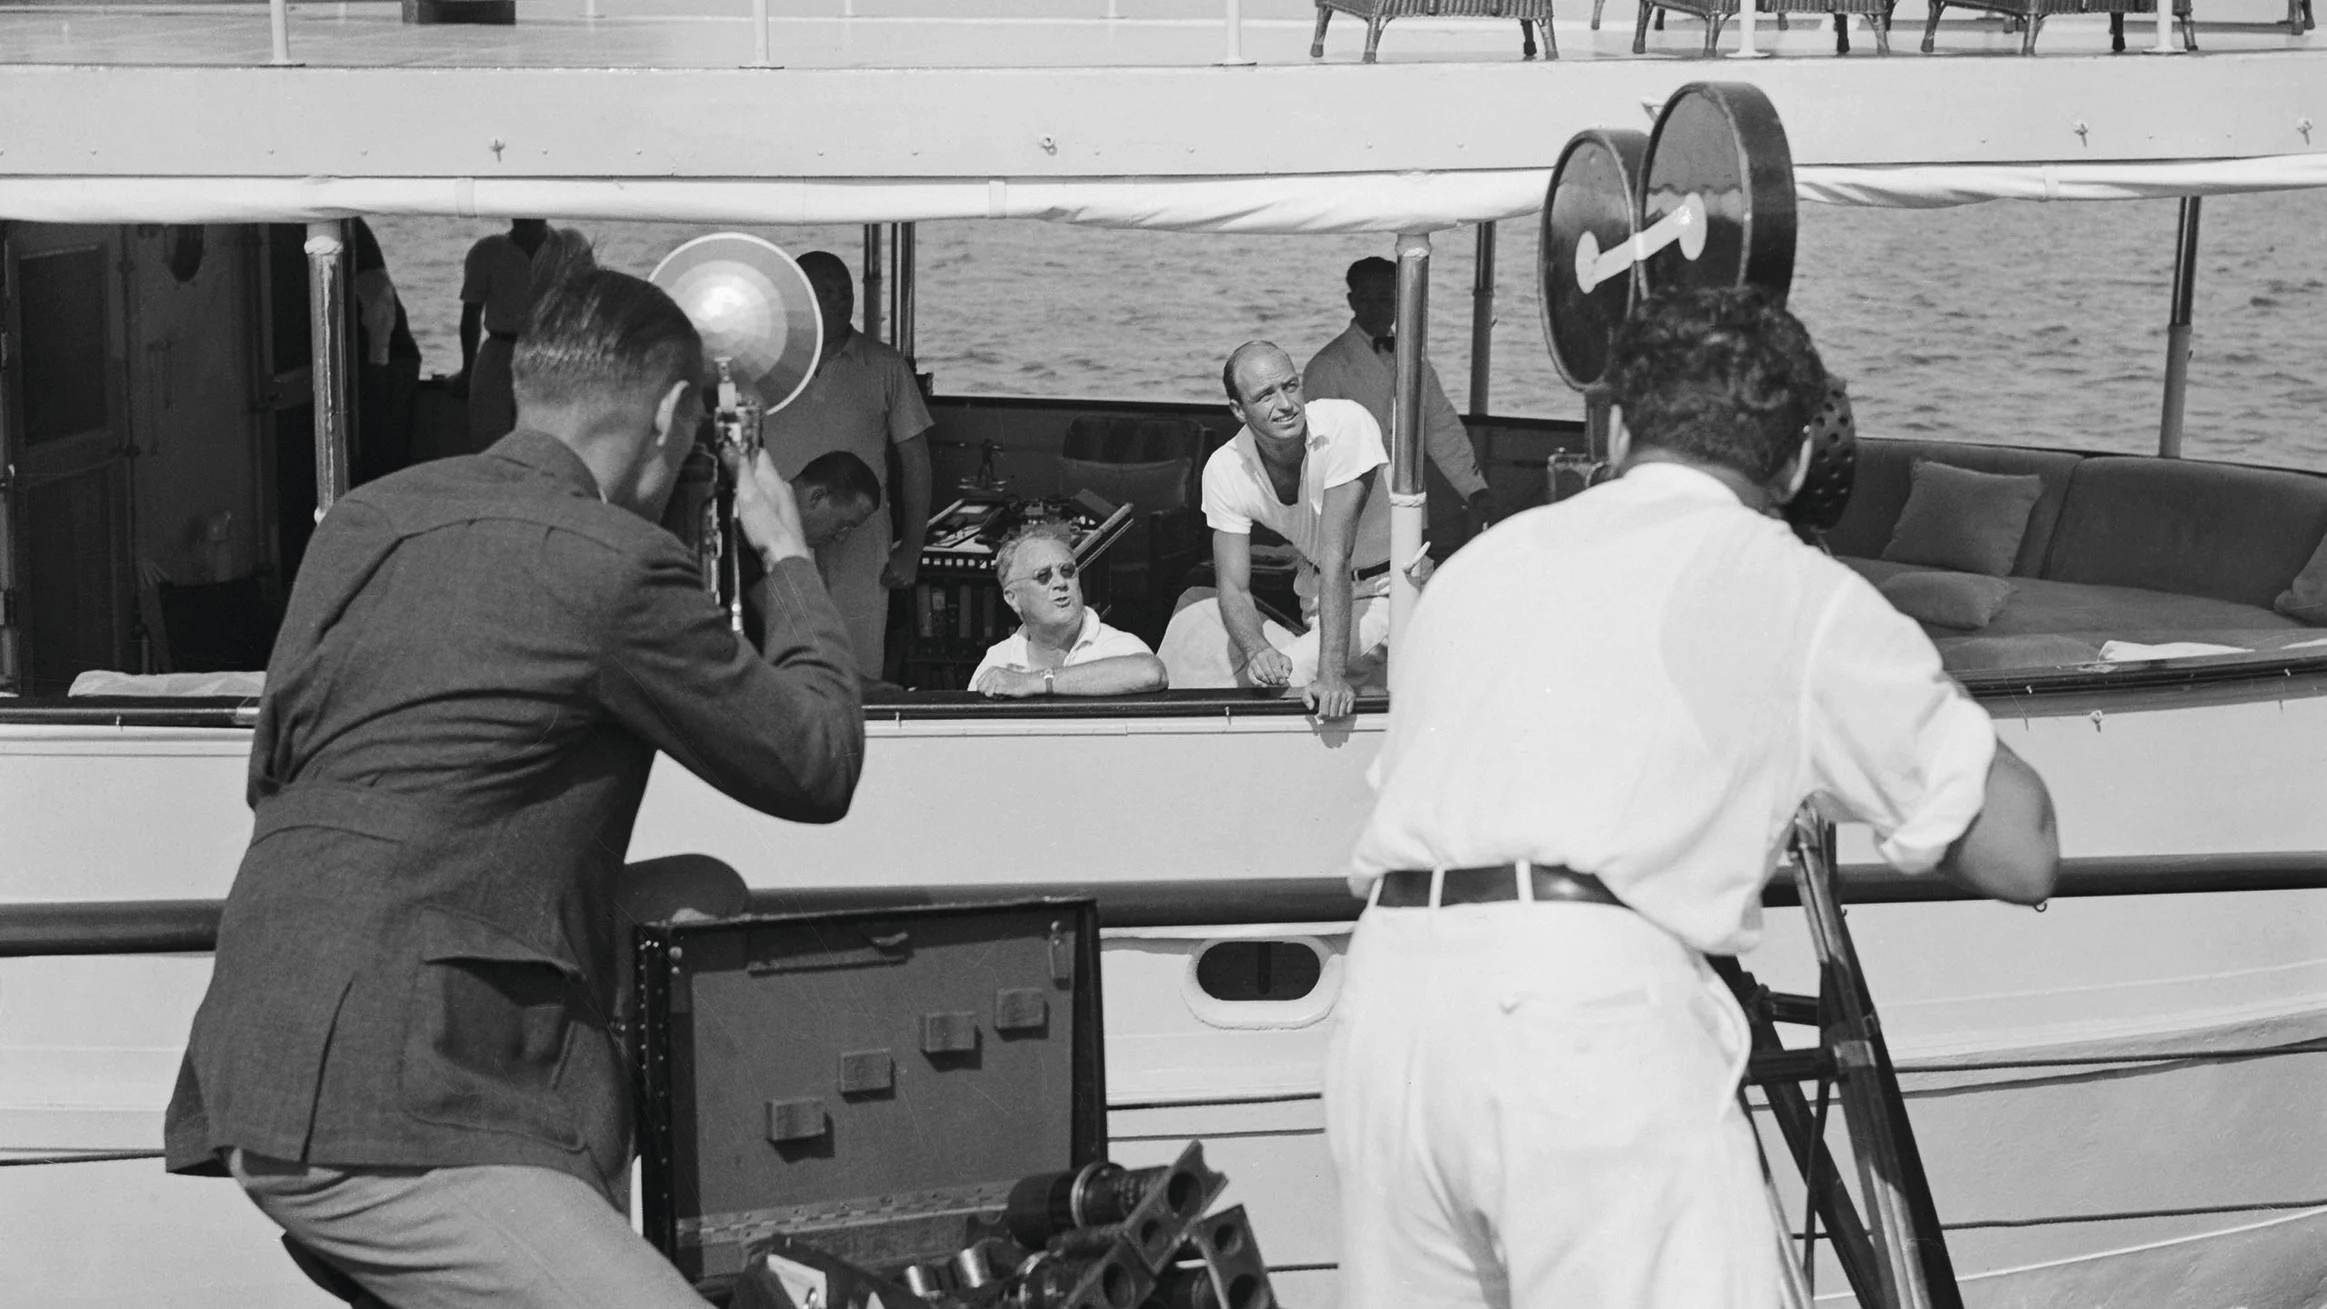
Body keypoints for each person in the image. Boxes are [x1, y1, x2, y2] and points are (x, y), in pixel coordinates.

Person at [1326, 286, 2060, 1309]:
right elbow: (2017, 848)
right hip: (1583, 1018)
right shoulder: (1784, 585)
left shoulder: (1477, 568)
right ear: (1799, 460)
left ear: (1620, 428)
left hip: (1389, 1012)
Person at [162, 264, 866, 1309]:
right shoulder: (614, 568)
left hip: (258, 1044)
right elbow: (815, 761)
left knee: (698, 896)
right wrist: (784, 555)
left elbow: (276, 769)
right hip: (397, 1097)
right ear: (677, 413)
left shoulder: (366, 518)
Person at [1155, 341, 1423, 719]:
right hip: (1316, 595)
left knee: (1285, 682)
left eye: (1290, 386)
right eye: (1266, 395)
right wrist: (1256, 648)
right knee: (1193, 614)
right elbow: (1232, 585)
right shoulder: (1225, 468)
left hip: (1386, 595)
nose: (1285, 404)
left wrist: (1331, 676)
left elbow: (1336, 557)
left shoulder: (1346, 424)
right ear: (1238, 409)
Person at [762, 250, 936, 682]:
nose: (840, 300)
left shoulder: (885, 366)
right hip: (776, 534)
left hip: (861, 538)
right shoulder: (764, 364)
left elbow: (916, 462)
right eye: (825, 292)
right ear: (798, 298)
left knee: (857, 667)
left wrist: (912, 549)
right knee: (780, 662)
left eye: (846, 291)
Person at [1304, 256, 1498, 536]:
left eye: (1385, 299)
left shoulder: (1414, 360)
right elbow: (1315, 449)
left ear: (1400, 300)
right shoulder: (1328, 365)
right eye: (1365, 299)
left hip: (1408, 503)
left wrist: (1474, 489)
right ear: (1351, 301)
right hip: (1351, 513)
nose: (1376, 308)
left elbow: (1439, 426)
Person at [971, 521, 1167, 698]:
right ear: (1013, 598)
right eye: (1043, 576)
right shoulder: (999, 660)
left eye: (1067, 571)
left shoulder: (1114, 645)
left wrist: (1031, 682)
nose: (1060, 583)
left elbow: (1151, 673)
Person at [457, 217, 550, 450]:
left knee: (544, 436)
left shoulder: (567, 247)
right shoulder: (486, 251)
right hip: (499, 348)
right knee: (488, 435)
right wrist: (468, 369)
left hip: (549, 351)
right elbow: (471, 314)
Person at [349, 218, 421, 484]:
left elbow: (379, 298)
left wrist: (377, 369)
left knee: (380, 464)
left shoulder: (346, 227)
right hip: (381, 357)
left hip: (383, 359)